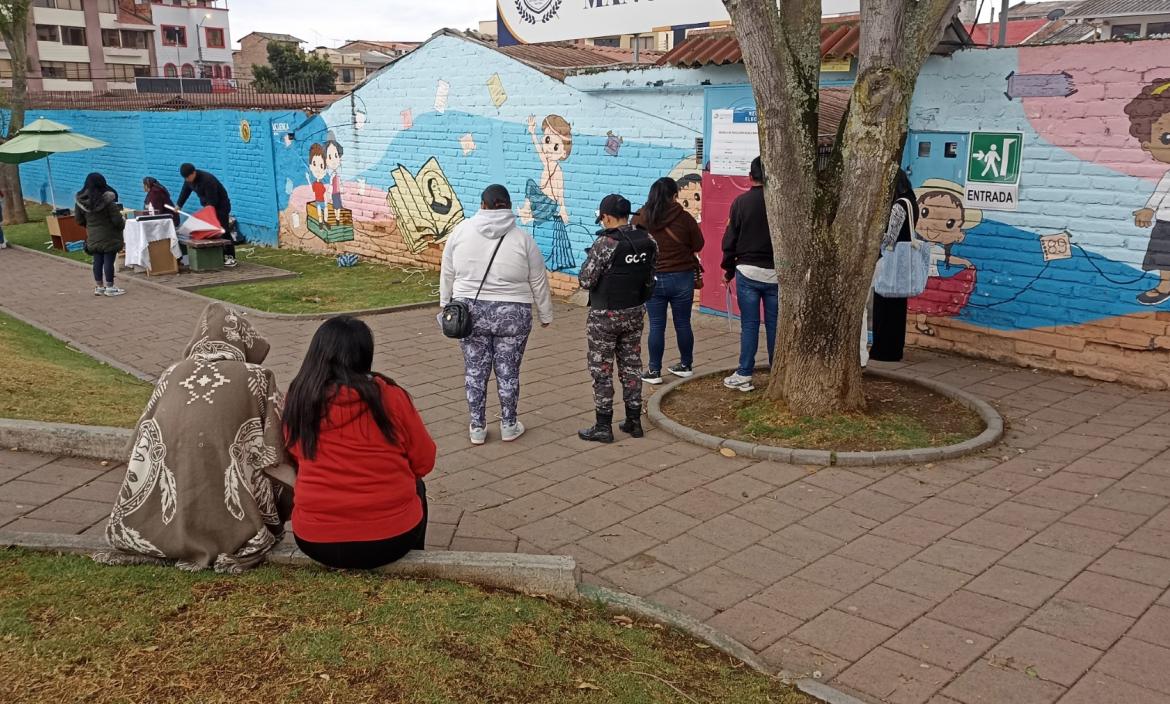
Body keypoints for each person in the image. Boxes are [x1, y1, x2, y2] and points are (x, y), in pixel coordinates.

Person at [95, 302, 292, 573]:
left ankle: (169, 531)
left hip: (171, 485)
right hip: (231, 490)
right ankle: (235, 528)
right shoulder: (257, 376)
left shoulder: (171, 372)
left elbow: (138, 442)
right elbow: (274, 447)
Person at [284, 317, 436, 570]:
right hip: (391, 540)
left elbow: (295, 453)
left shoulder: (298, 396)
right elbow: (423, 462)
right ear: (365, 354)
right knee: (418, 486)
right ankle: (414, 560)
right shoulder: (390, 396)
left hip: (314, 539)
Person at [441, 184, 554, 445]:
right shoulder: (523, 239)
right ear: (508, 205)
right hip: (514, 314)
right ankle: (508, 424)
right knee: (508, 370)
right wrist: (545, 314)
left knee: (474, 371)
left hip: (469, 313)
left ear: (483, 204)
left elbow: (447, 271)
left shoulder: (460, 232)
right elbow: (538, 280)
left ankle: (477, 427)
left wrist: (445, 303)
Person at [577, 194, 658, 443]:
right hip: (634, 311)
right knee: (632, 366)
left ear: (608, 216)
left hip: (605, 316)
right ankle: (634, 421)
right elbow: (652, 270)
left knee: (602, 369)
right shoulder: (648, 239)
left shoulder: (606, 244)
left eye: (602, 217)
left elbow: (585, 280)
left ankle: (603, 426)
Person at [633, 177, 704, 384]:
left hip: (653, 277)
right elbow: (698, 244)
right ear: (675, 196)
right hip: (682, 277)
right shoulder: (685, 218)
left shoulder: (642, 217)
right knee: (683, 323)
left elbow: (635, 242)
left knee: (656, 325)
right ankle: (685, 365)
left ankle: (654, 371)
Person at [721, 157, 777, 392]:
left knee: (750, 325)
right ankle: (778, 371)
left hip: (747, 272)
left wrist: (728, 269)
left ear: (750, 176)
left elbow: (730, 239)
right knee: (775, 325)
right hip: (776, 273)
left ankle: (744, 372)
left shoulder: (741, 203)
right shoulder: (780, 203)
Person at [1124, 79, 1170, 305]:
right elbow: (1160, 192)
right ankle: (1165, 286)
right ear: (1147, 144)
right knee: (1163, 256)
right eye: (1167, 138)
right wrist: (1149, 209)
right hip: (1166, 221)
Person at [868, 168, 919, 363]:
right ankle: (895, 348)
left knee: (884, 304)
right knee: (898, 306)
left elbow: (891, 238)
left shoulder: (899, 205)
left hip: (892, 261)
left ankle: (883, 349)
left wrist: (874, 237)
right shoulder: (912, 202)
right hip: (903, 263)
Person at [74, 173, 126, 297]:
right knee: (109, 260)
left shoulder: (80, 202)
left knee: (97, 260)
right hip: (109, 236)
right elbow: (117, 220)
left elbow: (79, 220)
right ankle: (110, 287)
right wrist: (121, 225)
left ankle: (99, 287)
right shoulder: (108, 201)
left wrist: (90, 226)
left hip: (93, 236)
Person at [177, 163, 237, 267]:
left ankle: (230, 257)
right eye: (185, 178)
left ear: (193, 173)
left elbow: (213, 200)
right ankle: (218, 256)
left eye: (188, 177)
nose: (187, 180)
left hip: (220, 206)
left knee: (223, 230)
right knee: (212, 232)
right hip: (208, 206)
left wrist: (207, 215)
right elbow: (185, 191)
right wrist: (179, 205)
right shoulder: (188, 180)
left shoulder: (207, 180)